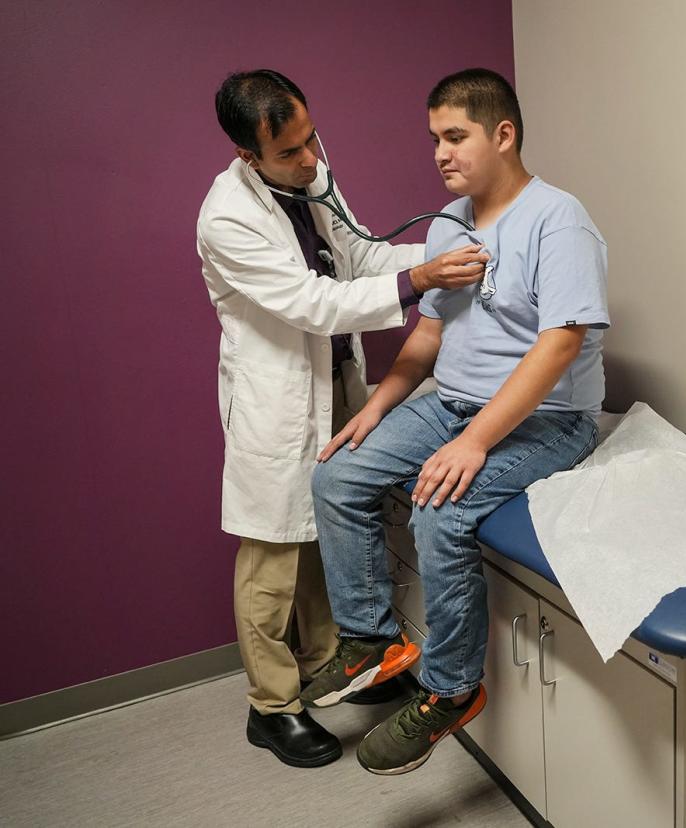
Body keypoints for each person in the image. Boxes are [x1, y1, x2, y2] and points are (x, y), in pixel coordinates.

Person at [303, 67, 608, 775]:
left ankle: (451, 688)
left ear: (503, 135)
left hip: (549, 422)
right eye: (434, 139)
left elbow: (560, 341)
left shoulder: (559, 219)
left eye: (455, 136)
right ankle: (372, 639)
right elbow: (428, 335)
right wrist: (375, 409)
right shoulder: (449, 222)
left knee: (439, 508)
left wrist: (474, 442)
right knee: (338, 474)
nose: (439, 152)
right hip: (450, 404)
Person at [197, 69, 489, 768]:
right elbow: (312, 303)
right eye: (290, 153)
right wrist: (423, 281)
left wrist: (448, 257)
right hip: (278, 401)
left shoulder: (311, 177)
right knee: (273, 560)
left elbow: (358, 255)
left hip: (338, 383)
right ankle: (270, 708)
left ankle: (342, 662)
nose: (310, 160)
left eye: (310, 138)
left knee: (334, 528)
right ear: (249, 156)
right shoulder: (226, 217)